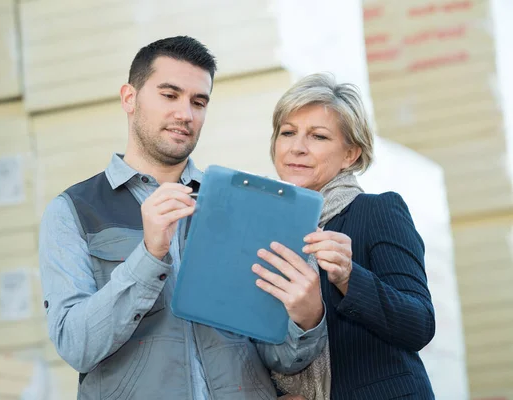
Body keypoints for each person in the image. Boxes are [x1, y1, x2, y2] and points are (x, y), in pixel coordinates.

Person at [39, 36, 327, 400]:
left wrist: (307, 316)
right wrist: (148, 254)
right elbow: (76, 345)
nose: (185, 114)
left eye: (198, 101)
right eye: (169, 95)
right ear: (129, 98)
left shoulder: (236, 203)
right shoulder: (72, 212)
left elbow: (281, 357)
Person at [261, 73, 436, 400]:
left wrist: (348, 277)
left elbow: (419, 324)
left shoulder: (377, 211)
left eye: (318, 136)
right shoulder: (264, 229)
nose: (297, 148)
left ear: (351, 154)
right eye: (287, 133)